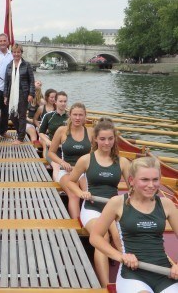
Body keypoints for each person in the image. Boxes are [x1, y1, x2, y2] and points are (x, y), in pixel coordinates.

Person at [90, 157, 178, 293]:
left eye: (155, 180)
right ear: (131, 180)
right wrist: (121, 256)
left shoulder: (167, 205)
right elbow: (95, 237)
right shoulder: (117, 203)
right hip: (132, 274)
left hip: (164, 273)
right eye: (145, 180)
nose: (151, 185)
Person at [67, 118, 130, 287]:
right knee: (103, 237)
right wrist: (81, 193)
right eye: (102, 139)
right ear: (95, 139)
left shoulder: (123, 162)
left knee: (118, 237)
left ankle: (130, 274)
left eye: (110, 139)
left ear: (114, 139)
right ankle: (105, 286)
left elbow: (133, 191)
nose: (106, 142)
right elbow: (70, 181)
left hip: (114, 208)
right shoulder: (86, 160)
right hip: (92, 207)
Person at [48, 102, 93, 218]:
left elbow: (97, 154)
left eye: (80, 115)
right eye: (75, 115)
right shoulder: (62, 131)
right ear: (70, 115)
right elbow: (51, 153)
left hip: (85, 172)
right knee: (74, 194)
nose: (77, 118)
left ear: (85, 116)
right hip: (66, 171)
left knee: (91, 194)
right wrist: (62, 162)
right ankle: (77, 224)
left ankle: (92, 220)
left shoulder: (91, 132)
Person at [3, 43, 35, 144]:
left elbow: (32, 81)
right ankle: (21, 132)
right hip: (11, 94)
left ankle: (20, 138)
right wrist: (5, 96)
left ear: (21, 53)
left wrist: (31, 94)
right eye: (14, 52)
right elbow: (6, 83)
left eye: (18, 52)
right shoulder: (9, 66)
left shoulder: (27, 65)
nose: (16, 54)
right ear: (12, 53)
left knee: (21, 115)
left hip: (23, 93)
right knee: (12, 115)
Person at [39, 91, 68, 180]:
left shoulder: (71, 116)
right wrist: (47, 141)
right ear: (55, 102)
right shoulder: (48, 116)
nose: (63, 103)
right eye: (61, 101)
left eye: (65, 101)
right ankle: (59, 189)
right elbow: (41, 132)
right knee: (57, 167)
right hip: (53, 149)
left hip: (67, 149)